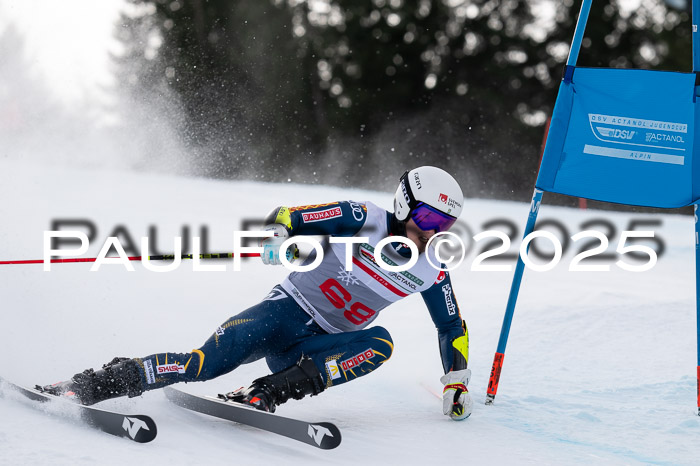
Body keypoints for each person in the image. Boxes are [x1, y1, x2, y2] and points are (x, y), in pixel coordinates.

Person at [41, 166, 473, 421]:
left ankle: (266, 392)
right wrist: (278, 233)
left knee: (379, 342)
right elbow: (292, 215)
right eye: (429, 218)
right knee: (203, 364)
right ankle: (93, 384)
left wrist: (456, 379)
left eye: (443, 226)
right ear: (404, 204)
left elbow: (451, 323)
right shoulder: (364, 218)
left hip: (311, 351)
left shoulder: (431, 268)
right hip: (282, 313)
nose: (432, 232)